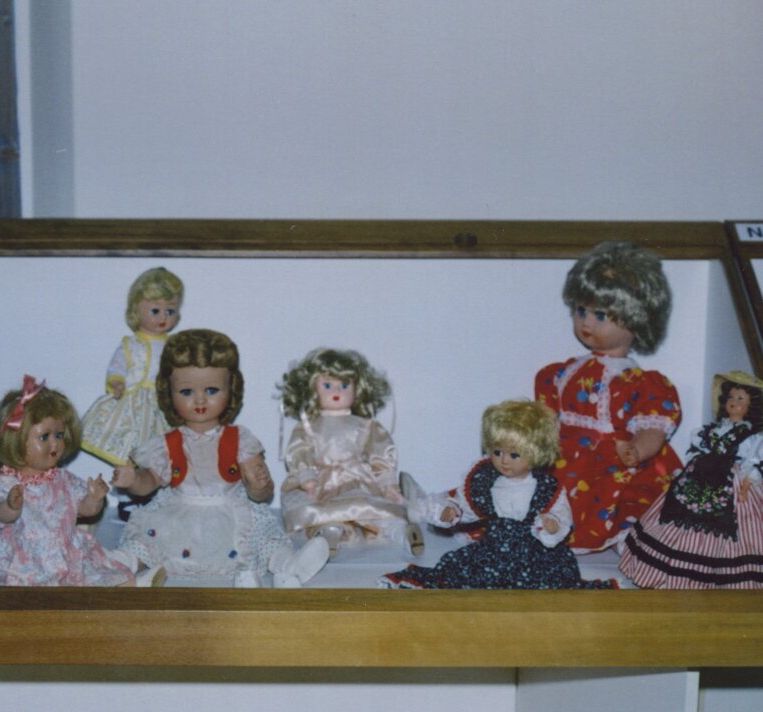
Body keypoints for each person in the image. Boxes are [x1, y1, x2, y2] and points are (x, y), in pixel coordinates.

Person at [114, 329, 329, 588]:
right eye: (186, 392)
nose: (200, 399)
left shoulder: (239, 439)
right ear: (168, 393)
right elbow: (149, 481)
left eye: (212, 389)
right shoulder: (167, 443)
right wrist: (133, 480)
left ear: (231, 390)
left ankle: (288, 564)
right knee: (147, 540)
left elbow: (261, 494)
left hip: (230, 511)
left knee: (261, 536)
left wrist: (259, 485)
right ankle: (120, 562)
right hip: (180, 513)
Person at [535, 240, 682, 551]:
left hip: (612, 461)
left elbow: (653, 428)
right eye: (581, 310)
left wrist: (638, 450)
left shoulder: (643, 384)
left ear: (636, 319)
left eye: (600, 315)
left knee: (624, 504)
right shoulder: (561, 373)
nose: (586, 322)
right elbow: (546, 416)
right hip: (565, 461)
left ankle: (627, 540)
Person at [383, 399, 612, 589]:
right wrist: (452, 511)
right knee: (465, 574)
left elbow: (560, 514)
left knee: (549, 582)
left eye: (514, 455)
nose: (504, 461)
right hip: (494, 550)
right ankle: (420, 504)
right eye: (497, 452)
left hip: (536, 554)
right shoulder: (486, 480)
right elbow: (469, 508)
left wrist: (552, 524)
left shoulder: (546, 486)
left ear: (537, 453)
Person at [0, 377, 162, 586]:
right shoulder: (3, 483)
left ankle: (130, 583)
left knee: (95, 569)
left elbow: (86, 510)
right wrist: (11, 506)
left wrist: (94, 499)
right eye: (45, 437)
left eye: (59, 435)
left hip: (65, 554)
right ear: (15, 439)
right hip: (23, 560)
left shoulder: (63, 479)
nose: (55, 443)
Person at [620, 372, 763, 588]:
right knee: (676, 515)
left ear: (751, 406)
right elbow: (697, 452)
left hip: (730, 482)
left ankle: (719, 577)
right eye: (731, 397)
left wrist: (747, 481)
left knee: (732, 526)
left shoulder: (751, 437)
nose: (734, 402)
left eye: (741, 398)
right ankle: (666, 572)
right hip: (698, 478)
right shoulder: (711, 430)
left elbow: (751, 461)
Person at [278, 347, 421, 556]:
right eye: (328, 385)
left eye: (344, 385)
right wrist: (307, 478)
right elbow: (300, 451)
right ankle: (329, 536)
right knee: (318, 511)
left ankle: (401, 533)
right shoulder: (308, 427)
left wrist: (387, 484)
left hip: (357, 479)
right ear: (312, 389)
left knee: (371, 508)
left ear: (358, 389)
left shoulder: (366, 426)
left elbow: (380, 454)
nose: (336, 391)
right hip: (321, 482)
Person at [80, 267, 184, 519]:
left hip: (161, 407)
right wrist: (116, 382)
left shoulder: (173, 344)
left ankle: (152, 495)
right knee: (127, 451)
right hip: (133, 406)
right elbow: (117, 366)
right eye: (155, 311)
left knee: (158, 453)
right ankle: (126, 497)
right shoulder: (131, 343)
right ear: (137, 310)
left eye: (170, 311)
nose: (163, 317)